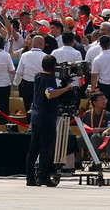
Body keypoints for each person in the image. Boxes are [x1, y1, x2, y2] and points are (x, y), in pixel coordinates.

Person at [25, 53, 75, 186]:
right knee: (45, 149)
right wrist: (66, 88)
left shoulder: (38, 76)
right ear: (54, 66)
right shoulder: (49, 79)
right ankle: (44, 177)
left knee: (34, 148)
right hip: (47, 118)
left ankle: (30, 178)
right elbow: (50, 94)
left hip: (36, 117)